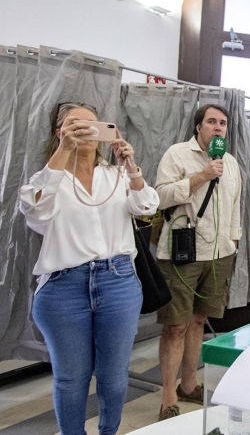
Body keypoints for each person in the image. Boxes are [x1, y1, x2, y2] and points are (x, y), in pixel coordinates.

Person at [19, 102, 159, 435]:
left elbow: (147, 207)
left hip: (118, 281)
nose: (83, 131)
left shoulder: (115, 176)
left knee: (113, 375)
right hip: (63, 287)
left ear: (103, 133)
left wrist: (131, 166)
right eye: (73, 125)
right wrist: (64, 151)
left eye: (91, 126)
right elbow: (35, 210)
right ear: (59, 132)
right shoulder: (48, 179)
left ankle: (108, 431)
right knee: (70, 378)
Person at [154, 104, 242, 421]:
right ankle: (167, 397)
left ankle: (189, 385)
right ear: (198, 127)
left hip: (219, 255)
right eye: (211, 122)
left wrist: (233, 242)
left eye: (223, 123)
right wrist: (203, 175)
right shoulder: (177, 155)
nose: (218, 127)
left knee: (198, 322)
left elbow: (235, 206)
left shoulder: (230, 163)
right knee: (176, 325)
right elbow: (160, 196)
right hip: (182, 251)